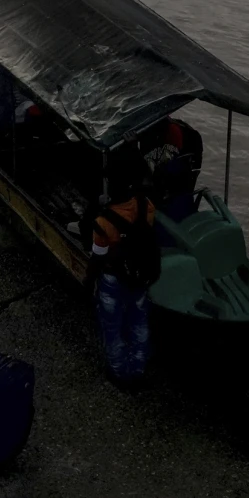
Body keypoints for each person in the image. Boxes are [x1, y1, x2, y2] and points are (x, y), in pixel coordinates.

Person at [88, 153, 158, 388]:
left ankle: (118, 372)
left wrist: (89, 280)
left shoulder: (104, 220)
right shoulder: (146, 206)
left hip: (113, 279)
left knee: (113, 327)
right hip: (139, 275)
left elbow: (98, 255)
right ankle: (138, 367)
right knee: (139, 321)